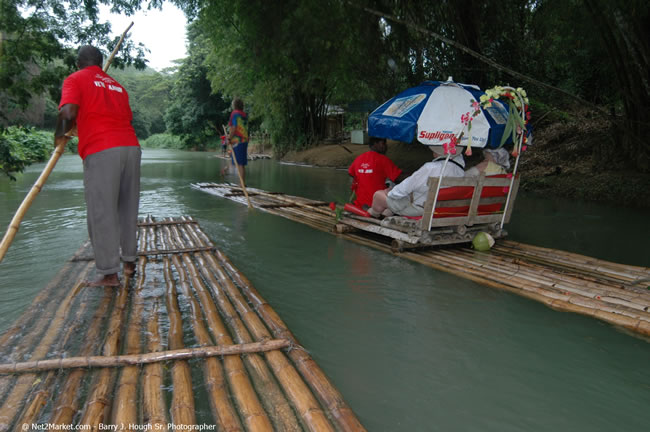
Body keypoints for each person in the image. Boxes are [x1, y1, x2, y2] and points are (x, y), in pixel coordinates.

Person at [55, 45, 141, 287]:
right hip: (131, 147)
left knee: (102, 211)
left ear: (78, 63)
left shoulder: (75, 79)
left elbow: (69, 111)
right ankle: (129, 262)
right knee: (127, 208)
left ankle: (109, 274)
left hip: (102, 149)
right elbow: (124, 118)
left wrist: (58, 139)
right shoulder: (118, 87)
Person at [369, 145, 465, 217]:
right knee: (390, 208)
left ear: (436, 152)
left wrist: (390, 192)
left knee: (378, 196)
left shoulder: (430, 168)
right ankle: (384, 214)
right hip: (443, 209)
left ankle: (373, 215)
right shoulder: (460, 170)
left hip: (422, 210)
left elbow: (405, 188)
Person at [348, 136, 405, 209]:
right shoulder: (383, 160)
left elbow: (350, 173)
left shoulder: (359, 158)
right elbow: (397, 178)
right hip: (376, 205)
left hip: (359, 204)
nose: (386, 146)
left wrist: (365, 175)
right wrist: (415, 176)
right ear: (375, 144)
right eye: (383, 143)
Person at [227, 98, 249, 183]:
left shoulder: (234, 114)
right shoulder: (244, 114)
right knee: (241, 164)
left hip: (238, 141)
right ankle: (242, 183)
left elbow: (234, 127)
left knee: (239, 163)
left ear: (234, 105)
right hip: (245, 140)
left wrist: (229, 138)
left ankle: (241, 185)